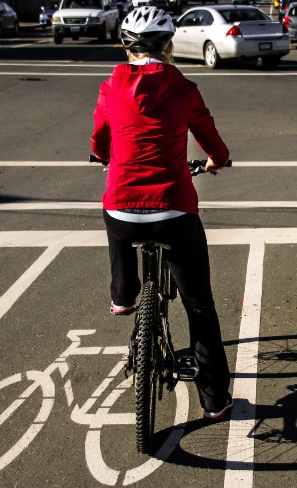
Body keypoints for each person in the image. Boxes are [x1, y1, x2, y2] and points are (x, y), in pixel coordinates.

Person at [91, 6, 233, 421]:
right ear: (168, 44)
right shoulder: (184, 88)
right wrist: (216, 160)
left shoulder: (110, 86)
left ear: (125, 45)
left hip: (122, 207)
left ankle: (123, 294)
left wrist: (103, 156)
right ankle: (214, 401)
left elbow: (100, 141)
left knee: (114, 217)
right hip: (173, 210)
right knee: (200, 307)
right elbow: (212, 142)